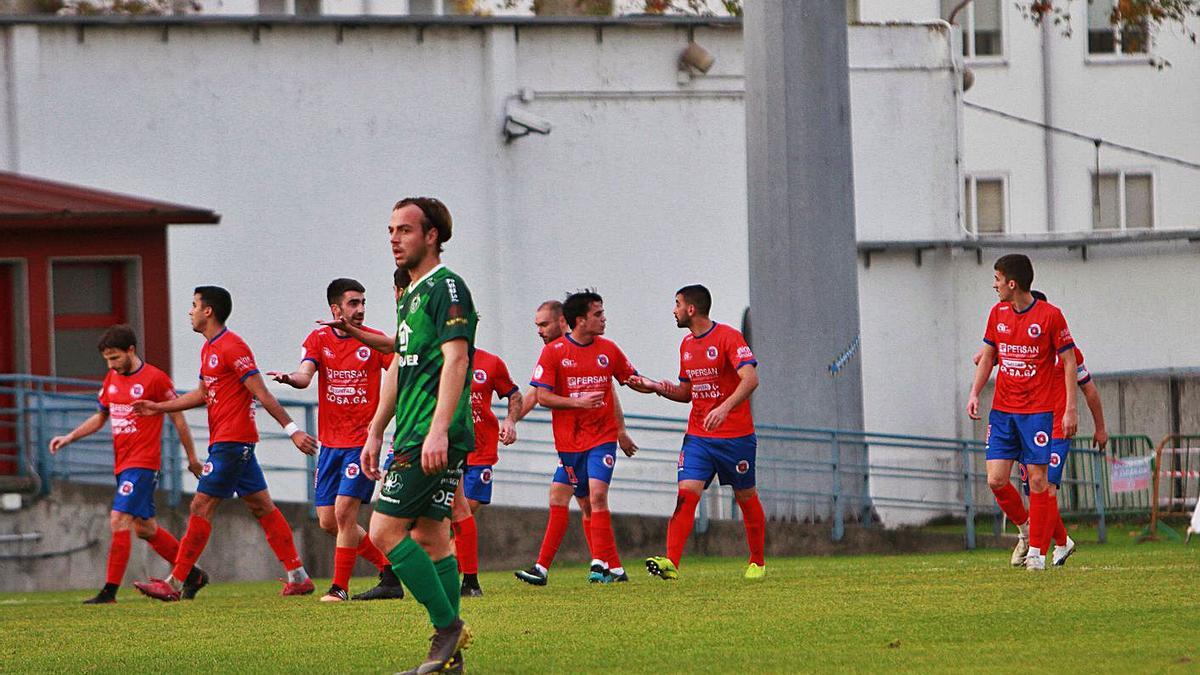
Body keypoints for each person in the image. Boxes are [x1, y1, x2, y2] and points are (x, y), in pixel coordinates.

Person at [131, 286, 320, 600]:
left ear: (208, 311)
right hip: (233, 443)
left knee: (201, 506)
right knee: (262, 507)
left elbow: (262, 393)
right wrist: (159, 407)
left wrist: (292, 430)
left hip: (232, 443)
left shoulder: (233, 346)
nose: (189, 311)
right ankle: (298, 575)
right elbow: (203, 395)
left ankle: (176, 583)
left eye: (193, 305)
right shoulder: (209, 349)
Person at [360, 197, 475, 674]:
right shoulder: (410, 293)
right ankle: (452, 660)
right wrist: (374, 430)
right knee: (430, 537)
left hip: (431, 433)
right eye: (390, 230)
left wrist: (438, 431)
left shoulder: (446, 287)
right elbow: (398, 366)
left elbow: (457, 359)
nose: (393, 238)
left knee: (383, 531)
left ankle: (447, 629)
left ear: (432, 236)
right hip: (412, 430)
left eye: (404, 230)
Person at [48, 325, 207, 604]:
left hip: (143, 463)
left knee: (118, 519)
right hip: (122, 465)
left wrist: (191, 458)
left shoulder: (155, 379)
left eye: (115, 358)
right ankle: (193, 574)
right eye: (107, 359)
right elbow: (100, 417)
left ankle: (109, 592)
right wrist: (69, 437)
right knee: (145, 529)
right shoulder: (111, 379)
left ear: (131, 350)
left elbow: (178, 418)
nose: (111, 364)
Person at [268, 278, 404, 602]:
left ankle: (339, 588)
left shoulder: (373, 341)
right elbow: (305, 375)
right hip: (330, 445)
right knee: (329, 521)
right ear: (335, 309)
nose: (360, 309)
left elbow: (400, 369)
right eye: (353, 303)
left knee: (345, 513)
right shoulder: (318, 339)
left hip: (361, 442)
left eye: (363, 302)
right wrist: (291, 379)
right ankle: (390, 572)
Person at [630, 285, 767, 580]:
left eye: (677, 304)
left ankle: (757, 561)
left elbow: (751, 378)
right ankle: (671, 562)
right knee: (686, 494)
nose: (674, 310)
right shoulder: (686, 345)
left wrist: (725, 408)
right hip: (699, 436)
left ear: (691, 309)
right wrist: (656, 387)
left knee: (746, 497)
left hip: (735, 437)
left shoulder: (728, 337)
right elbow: (686, 393)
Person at [516, 290, 641, 585]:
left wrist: (620, 429)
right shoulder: (553, 353)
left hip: (600, 438)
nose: (539, 331)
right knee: (578, 500)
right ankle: (614, 568)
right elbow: (538, 395)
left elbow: (611, 388)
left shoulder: (602, 349)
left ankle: (584, 564)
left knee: (593, 496)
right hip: (569, 443)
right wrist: (509, 421)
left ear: (564, 322)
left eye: (543, 325)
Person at [976, 290, 1108, 567]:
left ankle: (1036, 553)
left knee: (1044, 487)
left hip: (1057, 429)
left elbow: (1091, 390)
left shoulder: (1068, 352)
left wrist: (1100, 427)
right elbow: (998, 353)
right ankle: (1060, 541)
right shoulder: (1023, 342)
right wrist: (986, 358)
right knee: (1033, 489)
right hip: (1025, 420)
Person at [967, 255, 1077, 571]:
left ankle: (1038, 555)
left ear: (1012, 283)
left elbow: (1069, 362)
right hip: (1003, 412)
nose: (994, 285)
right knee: (996, 479)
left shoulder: (1050, 316)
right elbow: (988, 356)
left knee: (1040, 482)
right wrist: (975, 392)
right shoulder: (997, 313)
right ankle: (1027, 530)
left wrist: (1070, 409)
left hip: (1037, 413)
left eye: (997, 279)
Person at [451, 347, 522, 597]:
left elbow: (514, 395)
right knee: (453, 513)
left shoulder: (491, 363)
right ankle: (461, 576)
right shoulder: (439, 358)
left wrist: (510, 421)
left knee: (467, 506)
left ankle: (460, 573)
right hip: (449, 448)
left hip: (481, 450)